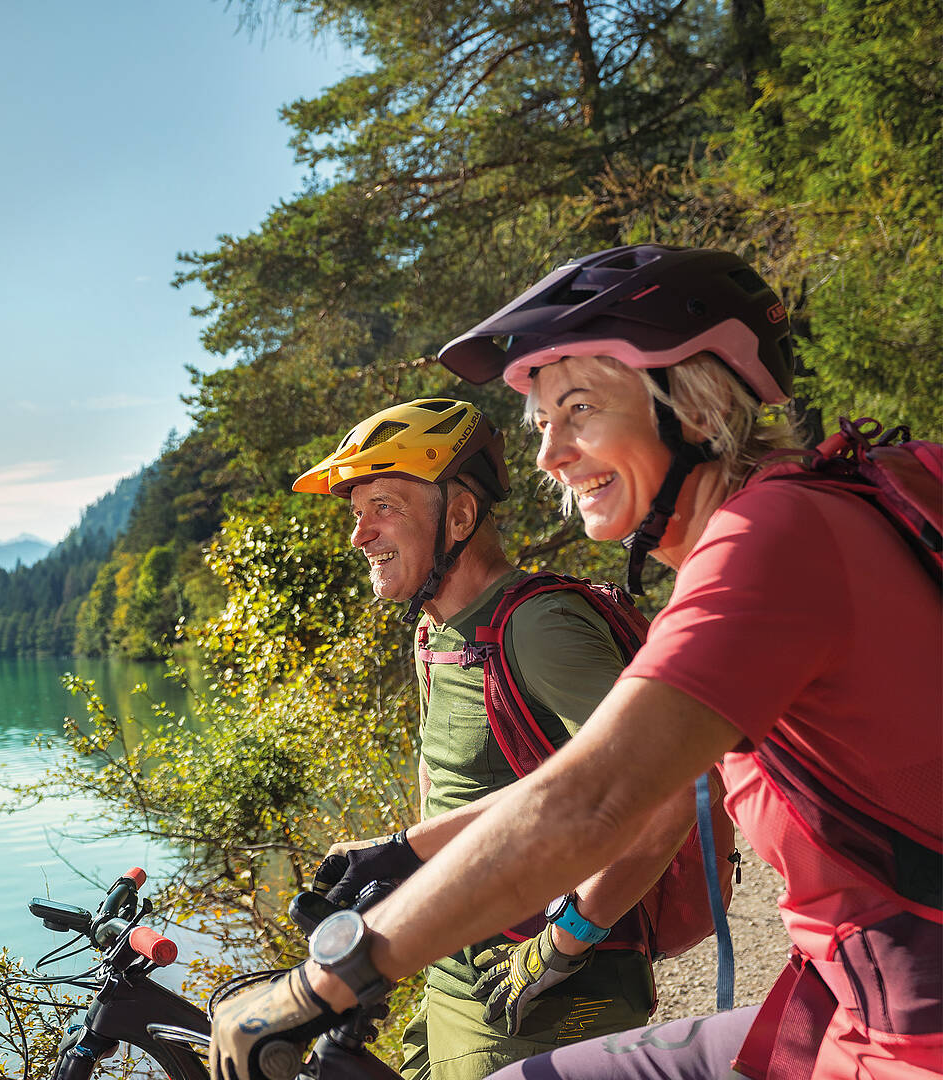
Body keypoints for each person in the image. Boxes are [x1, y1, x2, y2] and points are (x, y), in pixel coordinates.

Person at [208, 244, 942, 1080]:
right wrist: (414, 848)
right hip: (845, 1003)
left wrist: (330, 977)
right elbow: (608, 767)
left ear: (694, 404)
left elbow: (595, 799)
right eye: (542, 424)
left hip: (911, 1039)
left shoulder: (769, 541)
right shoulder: (831, 501)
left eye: (582, 407)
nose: (550, 454)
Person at [291, 398, 695, 1080]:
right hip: (453, 980)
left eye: (383, 505)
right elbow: (458, 802)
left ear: (458, 516)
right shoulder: (435, 633)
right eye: (354, 511)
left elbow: (666, 799)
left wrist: (562, 945)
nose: (360, 534)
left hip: (548, 999)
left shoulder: (538, 627)